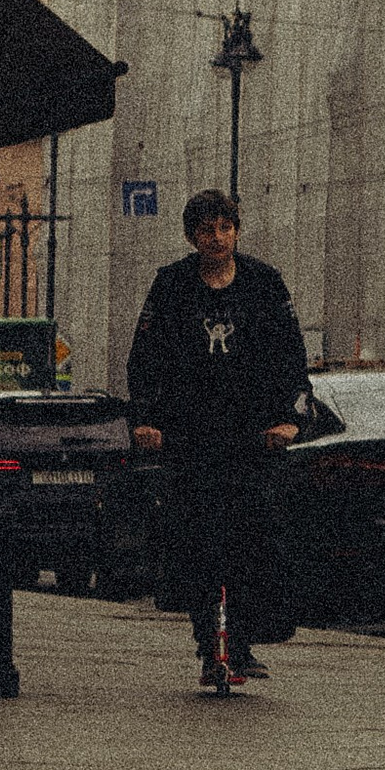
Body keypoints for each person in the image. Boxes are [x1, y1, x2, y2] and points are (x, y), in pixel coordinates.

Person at [128, 191, 310, 692]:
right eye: (206, 230)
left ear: (236, 230)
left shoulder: (264, 284)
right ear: (192, 237)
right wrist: (146, 420)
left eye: (225, 228)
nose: (217, 238)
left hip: (249, 438)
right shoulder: (171, 285)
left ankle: (244, 642)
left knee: (252, 538)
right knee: (198, 543)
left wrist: (289, 419)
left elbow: (291, 357)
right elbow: (145, 358)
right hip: (190, 437)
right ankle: (210, 646)